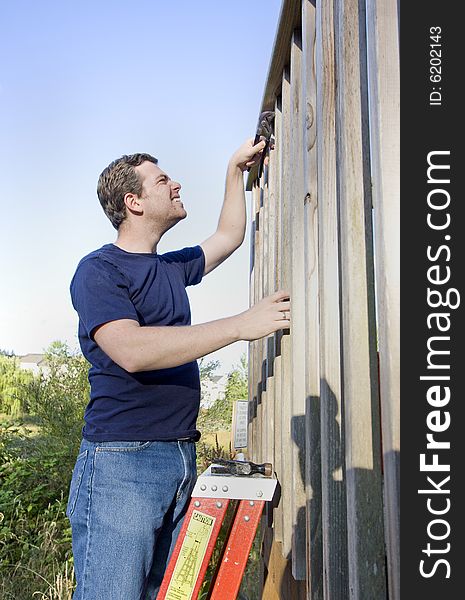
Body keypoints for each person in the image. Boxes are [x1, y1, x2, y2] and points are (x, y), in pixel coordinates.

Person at [67, 138, 290, 600]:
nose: (176, 184)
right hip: (121, 462)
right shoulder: (99, 271)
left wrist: (234, 170)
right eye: (162, 180)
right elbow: (131, 350)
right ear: (133, 202)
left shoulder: (171, 268)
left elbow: (229, 235)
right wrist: (239, 326)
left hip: (178, 457)